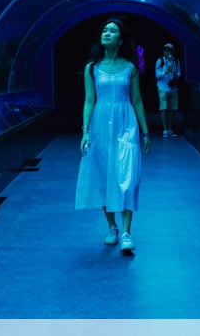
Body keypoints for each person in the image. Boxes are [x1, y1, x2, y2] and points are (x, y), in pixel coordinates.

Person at [75, 17, 151, 252]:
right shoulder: (92, 68)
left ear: (120, 39)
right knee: (103, 175)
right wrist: (85, 131)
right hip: (100, 125)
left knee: (128, 177)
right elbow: (89, 101)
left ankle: (127, 232)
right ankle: (112, 227)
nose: (106, 33)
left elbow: (137, 100)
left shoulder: (130, 68)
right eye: (104, 30)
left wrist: (145, 132)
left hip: (126, 124)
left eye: (112, 31)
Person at [155, 42, 182, 137]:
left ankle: (170, 129)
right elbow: (157, 76)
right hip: (162, 88)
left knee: (171, 109)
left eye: (169, 50)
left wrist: (175, 75)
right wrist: (165, 72)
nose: (167, 51)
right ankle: (165, 130)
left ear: (173, 51)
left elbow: (179, 74)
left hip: (173, 88)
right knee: (164, 108)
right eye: (166, 50)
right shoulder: (160, 61)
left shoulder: (176, 61)